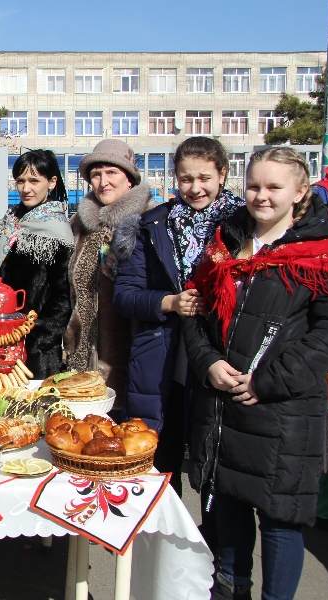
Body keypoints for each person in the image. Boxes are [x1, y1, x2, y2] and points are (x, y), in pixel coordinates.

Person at [183, 147, 328, 600]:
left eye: (274, 187)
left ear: (300, 191)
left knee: (279, 522)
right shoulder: (225, 242)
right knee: (227, 513)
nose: (261, 196)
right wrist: (208, 362)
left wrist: (268, 382)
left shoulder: (322, 253)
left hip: (282, 413)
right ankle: (231, 591)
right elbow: (195, 312)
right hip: (224, 407)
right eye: (254, 185)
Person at [113, 137, 244, 496]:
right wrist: (170, 302)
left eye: (204, 178)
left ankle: (214, 549)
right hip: (163, 359)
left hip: (224, 353)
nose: (195, 188)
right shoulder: (153, 226)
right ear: (175, 178)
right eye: (186, 179)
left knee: (216, 470)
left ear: (223, 174)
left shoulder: (244, 227)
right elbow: (124, 294)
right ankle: (160, 547)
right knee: (160, 463)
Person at [64, 139, 154, 403]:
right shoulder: (79, 224)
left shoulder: (150, 222)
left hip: (130, 351)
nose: (103, 181)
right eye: (96, 174)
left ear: (130, 179)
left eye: (112, 172)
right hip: (81, 352)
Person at [0, 149, 73, 379]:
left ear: (52, 182)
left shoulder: (56, 230)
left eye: (34, 180)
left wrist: (38, 339)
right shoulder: (10, 220)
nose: (26, 188)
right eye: (21, 181)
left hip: (33, 348)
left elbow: (63, 297)